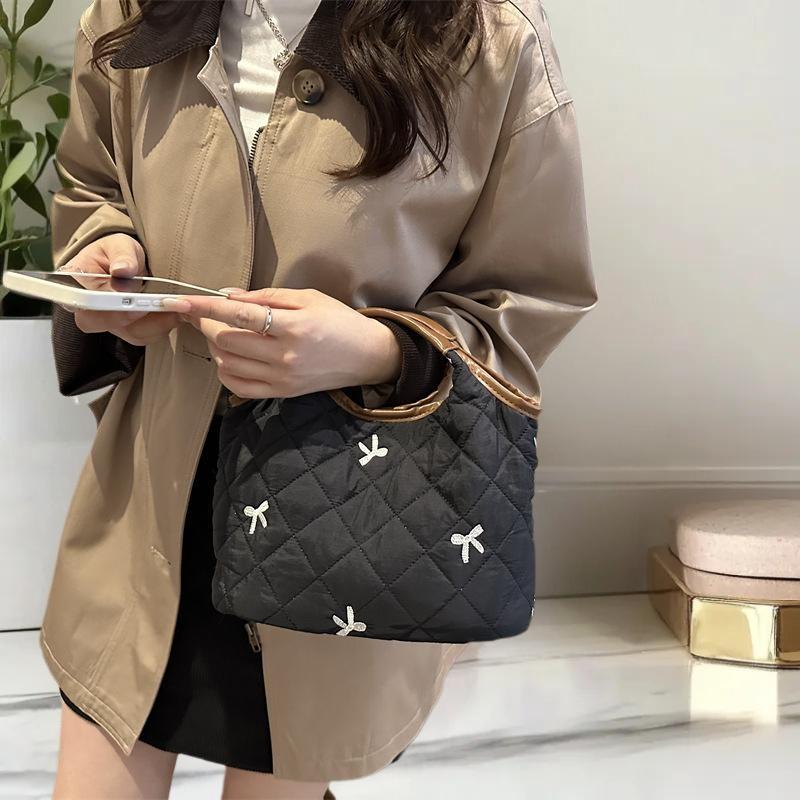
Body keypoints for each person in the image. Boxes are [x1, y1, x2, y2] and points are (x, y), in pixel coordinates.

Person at [43, 1, 597, 798]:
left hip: (339, 514)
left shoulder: (487, 36)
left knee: (285, 757)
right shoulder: (134, 8)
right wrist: (105, 250)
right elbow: (92, 183)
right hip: (150, 500)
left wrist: (375, 348)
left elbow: (531, 293)